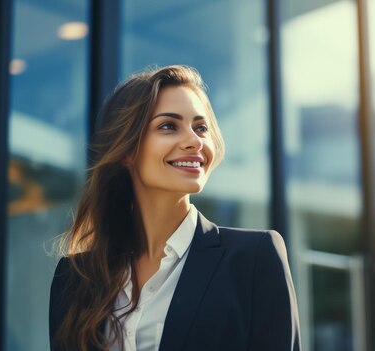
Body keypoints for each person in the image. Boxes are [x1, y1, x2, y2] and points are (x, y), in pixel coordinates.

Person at [49, 65, 301, 351]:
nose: (194, 141)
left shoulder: (254, 257)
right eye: (169, 126)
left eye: (201, 128)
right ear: (127, 149)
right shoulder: (74, 277)